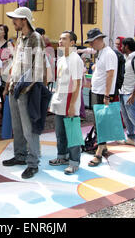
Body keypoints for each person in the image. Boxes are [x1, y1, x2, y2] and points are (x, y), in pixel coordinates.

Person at [2, 7, 47, 179]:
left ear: (24, 20)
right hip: (15, 88)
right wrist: (8, 86)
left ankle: (33, 163)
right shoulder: (20, 38)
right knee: (17, 127)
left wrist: (26, 89)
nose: (13, 21)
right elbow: (15, 63)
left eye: (16, 19)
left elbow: (38, 67)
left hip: (26, 90)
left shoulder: (36, 38)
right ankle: (20, 156)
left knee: (29, 129)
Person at [49, 31, 83, 175]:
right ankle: (61, 157)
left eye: (64, 39)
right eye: (60, 38)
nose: (60, 41)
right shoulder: (62, 59)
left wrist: (72, 105)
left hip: (70, 103)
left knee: (72, 133)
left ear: (72, 42)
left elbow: (77, 83)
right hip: (59, 101)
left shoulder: (75, 59)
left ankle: (74, 162)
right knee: (60, 133)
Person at [85, 28, 118, 167]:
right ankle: (103, 146)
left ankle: (99, 151)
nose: (91, 45)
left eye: (92, 42)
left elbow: (110, 74)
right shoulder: (101, 53)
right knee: (98, 121)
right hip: (97, 91)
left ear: (98, 40)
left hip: (102, 93)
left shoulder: (109, 54)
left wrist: (106, 95)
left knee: (101, 122)